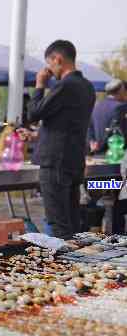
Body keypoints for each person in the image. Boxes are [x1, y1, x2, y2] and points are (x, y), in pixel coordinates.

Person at [26, 40, 96, 239]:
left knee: (58, 224)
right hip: (74, 159)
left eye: (49, 63)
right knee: (73, 221)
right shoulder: (88, 87)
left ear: (58, 59)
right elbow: (65, 122)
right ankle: (78, 265)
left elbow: (34, 112)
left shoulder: (66, 85)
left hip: (55, 162)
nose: (48, 69)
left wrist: (39, 85)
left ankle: (64, 266)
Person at [88, 79, 127, 153]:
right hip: (117, 155)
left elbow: (90, 128)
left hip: (98, 153)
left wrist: (92, 142)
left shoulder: (97, 106)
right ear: (121, 91)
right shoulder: (122, 107)